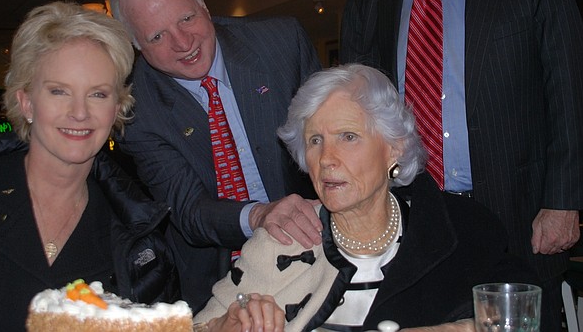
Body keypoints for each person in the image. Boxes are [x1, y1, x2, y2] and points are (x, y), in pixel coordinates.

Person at [0, 2, 278, 332]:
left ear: (118, 107)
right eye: (59, 91)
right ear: (25, 102)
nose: (80, 112)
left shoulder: (134, 235)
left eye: (98, 94)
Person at [339, 0, 583, 330]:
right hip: (411, 223)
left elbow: (570, 89)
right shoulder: (367, 1)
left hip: (519, 216)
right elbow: (356, 123)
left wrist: (564, 200)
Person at [196, 63, 536, 330]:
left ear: (394, 148)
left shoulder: (462, 229)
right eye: (315, 140)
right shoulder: (280, 243)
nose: (326, 158)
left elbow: (523, 313)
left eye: (348, 136)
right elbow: (196, 326)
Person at [109, 0, 323, 311]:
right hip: (218, 279)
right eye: (157, 36)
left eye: (187, 18)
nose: (182, 42)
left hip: (315, 243)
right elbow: (190, 210)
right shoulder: (137, 110)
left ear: (203, 6)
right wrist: (259, 215)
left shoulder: (281, 45)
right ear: (136, 45)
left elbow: (332, 146)